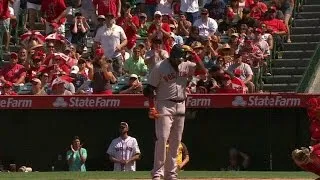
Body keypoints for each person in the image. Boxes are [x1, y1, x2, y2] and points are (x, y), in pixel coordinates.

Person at [143, 44, 206, 180]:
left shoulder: (186, 64)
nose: (179, 60)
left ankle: (171, 173)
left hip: (181, 104)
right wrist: (152, 107)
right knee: (163, 138)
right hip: (164, 104)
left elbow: (203, 71)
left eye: (181, 58)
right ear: (171, 56)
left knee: (176, 140)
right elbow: (149, 89)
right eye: (177, 57)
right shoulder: (160, 67)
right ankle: (157, 173)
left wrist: (194, 54)